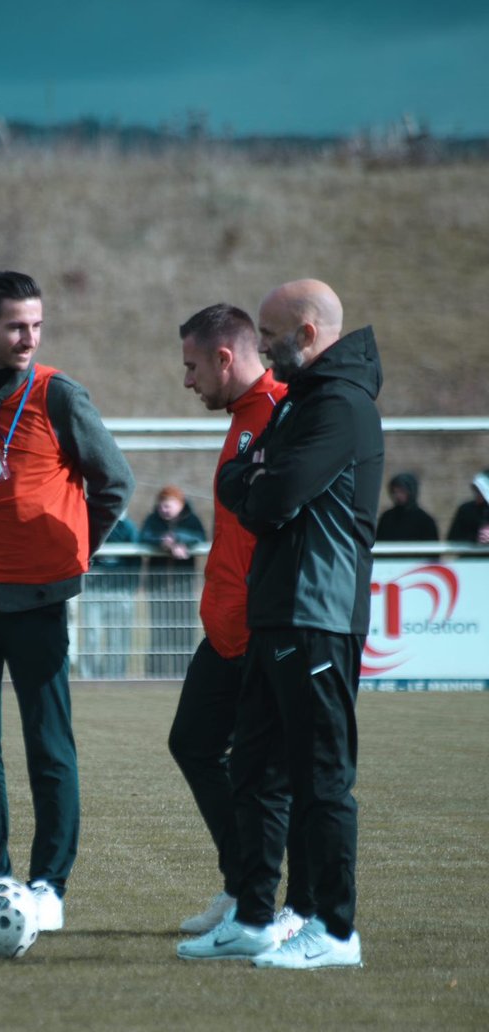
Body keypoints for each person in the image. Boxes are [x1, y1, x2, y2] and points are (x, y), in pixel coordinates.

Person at [0, 270, 134, 931]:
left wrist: (73, 553)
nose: (28, 337)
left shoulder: (58, 393)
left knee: (48, 746)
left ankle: (49, 886)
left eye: (36, 325)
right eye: (15, 326)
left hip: (36, 602)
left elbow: (114, 482)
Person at [178, 278, 384, 969]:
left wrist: (253, 478)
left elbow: (269, 500)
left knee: (321, 779)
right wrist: (254, 478)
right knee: (258, 775)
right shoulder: (302, 403)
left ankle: (335, 929)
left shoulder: (342, 405)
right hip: (276, 611)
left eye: (268, 336)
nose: (260, 349)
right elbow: (250, 488)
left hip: (318, 613)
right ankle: (255, 919)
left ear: (306, 333)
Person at [168, 304, 311, 942]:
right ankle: (242, 886)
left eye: (193, 366)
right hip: (225, 627)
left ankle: (290, 904)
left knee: (275, 775)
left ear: (225, 358)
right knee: (193, 743)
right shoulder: (242, 417)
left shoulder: (286, 409)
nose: (188, 380)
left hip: (266, 628)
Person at [139, 485, 206, 677]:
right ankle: (156, 672)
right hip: (157, 585)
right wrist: (163, 542)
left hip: (182, 585)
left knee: (183, 628)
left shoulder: (191, 520)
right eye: (162, 505)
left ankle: (183, 671)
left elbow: (199, 536)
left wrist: (178, 539)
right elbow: (144, 536)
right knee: (158, 629)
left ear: (180, 504)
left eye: (169, 505)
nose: (164, 509)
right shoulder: (153, 520)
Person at [78, 511, 141, 679]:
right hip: (93, 587)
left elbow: (136, 560)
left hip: (119, 589)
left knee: (118, 635)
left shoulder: (128, 527)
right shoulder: (90, 521)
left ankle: (116, 676)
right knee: (92, 633)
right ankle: (88, 677)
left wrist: (130, 586)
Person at [376, 472, 439, 542]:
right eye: (395, 492)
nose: (398, 496)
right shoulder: (386, 518)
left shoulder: (425, 521)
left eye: (402, 491)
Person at [447, 469, 489, 545]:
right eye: (476, 490)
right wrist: (476, 537)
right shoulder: (466, 510)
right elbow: (453, 538)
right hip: (470, 555)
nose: (478, 493)